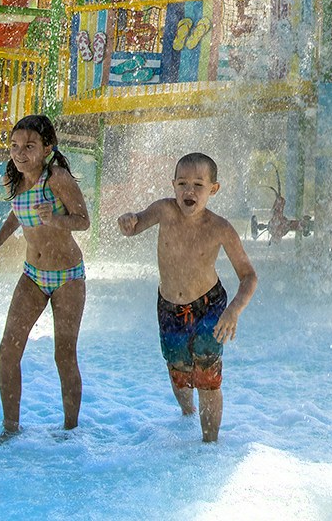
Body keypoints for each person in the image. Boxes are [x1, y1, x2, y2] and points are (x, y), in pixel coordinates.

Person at [116, 151, 257, 443]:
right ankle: (187, 414)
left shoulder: (220, 228)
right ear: (173, 186)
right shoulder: (165, 211)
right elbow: (138, 223)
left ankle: (209, 445)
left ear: (213, 189)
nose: (188, 191)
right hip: (169, 306)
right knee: (179, 372)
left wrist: (234, 311)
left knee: (207, 379)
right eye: (182, 184)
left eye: (198, 184)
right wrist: (129, 222)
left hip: (209, 306)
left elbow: (249, 276)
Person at [0, 114, 91, 442]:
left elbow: (83, 221)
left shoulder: (57, 179)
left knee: (63, 354)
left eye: (29, 146)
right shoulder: (14, 179)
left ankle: (70, 431)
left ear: (47, 149)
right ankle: (10, 430)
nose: (19, 152)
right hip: (33, 275)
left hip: (68, 276)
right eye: (14, 145)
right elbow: (18, 212)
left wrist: (55, 219)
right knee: (8, 349)